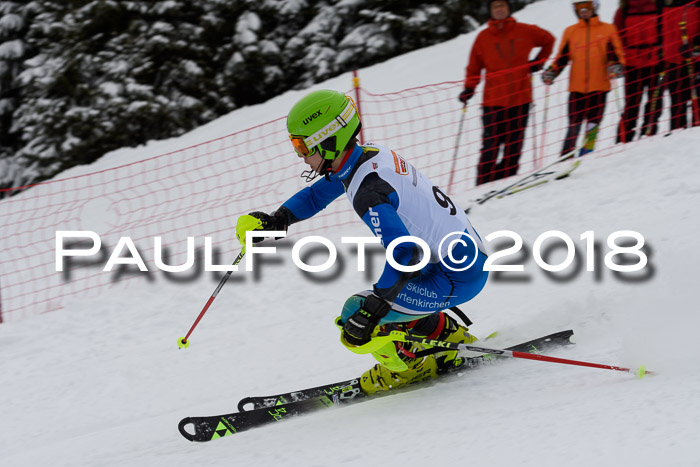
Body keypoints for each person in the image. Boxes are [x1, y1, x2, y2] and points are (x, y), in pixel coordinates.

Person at [236, 90, 489, 395]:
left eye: (302, 145)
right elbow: (318, 194)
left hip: (454, 276)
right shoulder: (367, 156)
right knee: (383, 299)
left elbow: (406, 254)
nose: (300, 155)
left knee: (355, 313)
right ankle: (448, 337)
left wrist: (374, 307)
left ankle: (409, 368)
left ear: (329, 141)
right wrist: (278, 221)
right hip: (464, 260)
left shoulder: (368, 192)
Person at [459, 0, 555, 185]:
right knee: (490, 146)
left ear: (509, 9)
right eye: (496, 7)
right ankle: (483, 183)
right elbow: (474, 66)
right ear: (491, 11)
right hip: (492, 101)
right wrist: (469, 87)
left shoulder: (525, 30)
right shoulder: (483, 37)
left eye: (503, 5)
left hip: (521, 99)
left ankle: (507, 181)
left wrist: (538, 62)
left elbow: (548, 40)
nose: (500, 9)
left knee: (514, 145)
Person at [542, 0, 626, 156]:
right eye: (579, 8)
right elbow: (562, 57)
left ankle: (587, 154)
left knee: (593, 125)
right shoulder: (571, 31)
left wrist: (617, 66)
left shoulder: (608, 29)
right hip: (576, 89)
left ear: (594, 7)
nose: (584, 11)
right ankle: (565, 157)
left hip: (599, 87)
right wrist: (552, 71)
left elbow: (618, 54)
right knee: (574, 125)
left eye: (587, 7)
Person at [614, 0, 663, 141]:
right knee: (632, 103)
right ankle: (623, 139)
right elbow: (617, 36)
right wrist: (616, 59)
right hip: (632, 66)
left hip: (657, 64)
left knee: (655, 100)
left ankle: (649, 133)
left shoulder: (658, 6)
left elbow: (666, 29)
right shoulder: (624, 10)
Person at [660, 0, 700, 130]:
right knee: (677, 103)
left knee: (697, 101)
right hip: (673, 61)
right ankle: (677, 138)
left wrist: (695, 45)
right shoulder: (662, 4)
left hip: (696, 60)